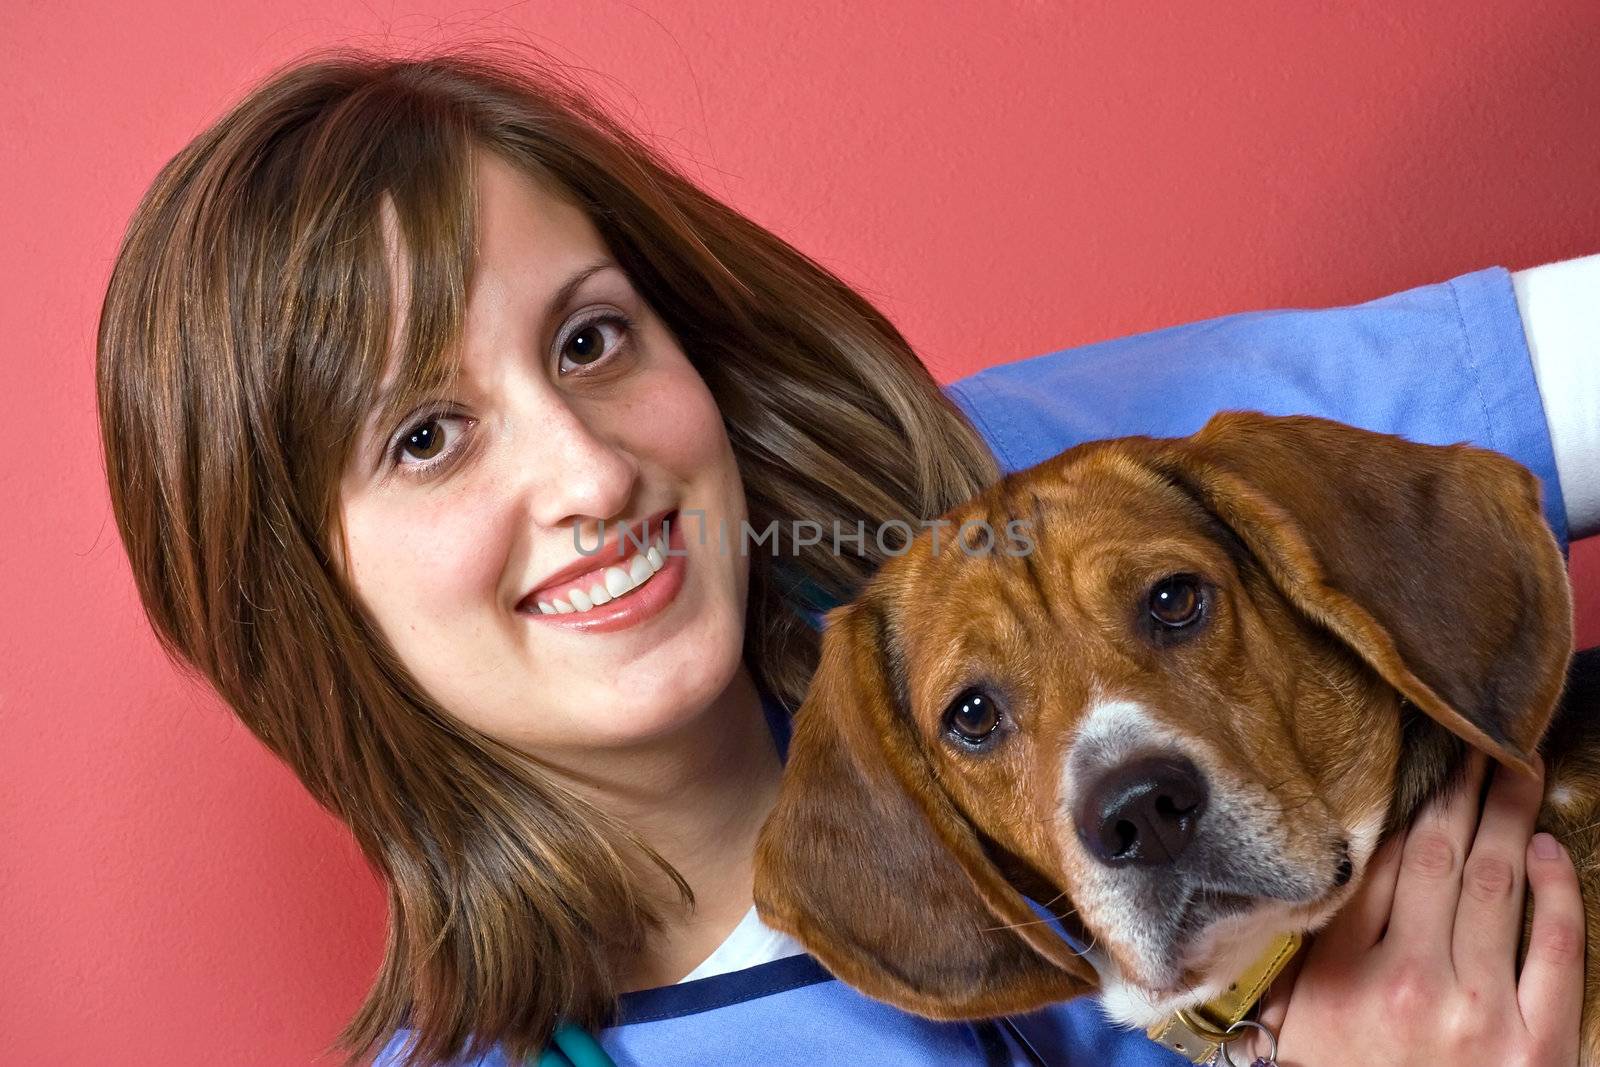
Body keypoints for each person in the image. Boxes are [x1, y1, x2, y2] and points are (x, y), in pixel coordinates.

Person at [93, 46, 1597, 1067]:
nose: (589, 470)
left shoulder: (994, 510)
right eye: (425, 437)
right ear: (299, 598)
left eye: (592, 338)